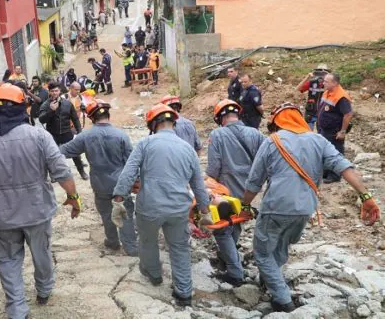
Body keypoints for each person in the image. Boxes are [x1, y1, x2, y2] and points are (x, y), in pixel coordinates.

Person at [243, 102, 380, 313]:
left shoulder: (272, 141)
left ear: (277, 123)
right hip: (305, 209)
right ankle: (271, 279)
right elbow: (343, 166)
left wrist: (244, 205)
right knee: (280, 245)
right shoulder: (318, 140)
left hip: (276, 207)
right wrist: (366, 196)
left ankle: (283, 301)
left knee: (262, 253)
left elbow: (254, 182)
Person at [0, 85, 81, 318]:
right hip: (37, 211)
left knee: (7, 261)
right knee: (41, 252)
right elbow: (62, 171)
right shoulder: (39, 136)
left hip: (0, 215)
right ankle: (44, 291)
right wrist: (73, 198)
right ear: (22, 108)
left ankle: (16, 308)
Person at [112, 104, 211, 307]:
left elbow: (128, 173)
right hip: (178, 209)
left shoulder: (145, 144)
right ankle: (184, 293)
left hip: (150, 207)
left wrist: (118, 200)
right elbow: (198, 184)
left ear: (153, 124)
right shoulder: (188, 149)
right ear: (173, 123)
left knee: (148, 242)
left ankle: (155, 276)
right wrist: (205, 210)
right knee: (179, 248)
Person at [60, 100, 138, 255]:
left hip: (100, 184)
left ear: (91, 118)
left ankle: (112, 242)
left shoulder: (86, 136)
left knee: (106, 214)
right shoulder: (121, 135)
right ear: (108, 115)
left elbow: (62, 151)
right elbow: (132, 162)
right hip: (121, 185)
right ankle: (131, 247)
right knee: (125, 214)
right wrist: (137, 181)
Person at [205, 99, 265, 286]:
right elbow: (265, 162)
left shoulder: (217, 134)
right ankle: (226, 257)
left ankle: (235, 272)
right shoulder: (256, 134)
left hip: (227, 193)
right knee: (236, 223)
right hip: (251, 193)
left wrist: (205, 183)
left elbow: (214, 168)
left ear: (220, 118)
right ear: (238, 115)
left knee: (222, 231)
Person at [39, 83, 88, 180]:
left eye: (56, 91)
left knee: (75, 153)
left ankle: (81, 171)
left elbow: (75, 119)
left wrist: (80, 131)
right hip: (53, 134)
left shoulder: (67, 103)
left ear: (59, 91)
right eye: (52, 91)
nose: (54, 93)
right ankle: (53, 174)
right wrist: (51, 111)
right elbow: (41, 119)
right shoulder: (45, 104)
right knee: (51, 155)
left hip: (67, 132)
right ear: (49, 92)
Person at [317, 73, 353, 183]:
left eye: (326, 82)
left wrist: (342, 131)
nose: (323, 83)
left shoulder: (341, 97)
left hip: (334, 130)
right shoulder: (328, 92)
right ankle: (327, 172)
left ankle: (335, 175)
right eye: (324, 81)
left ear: (335, 83)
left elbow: (348, 114)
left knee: (336, 151)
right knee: (325, 151)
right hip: (324, 129)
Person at [296, 64, 329, 130]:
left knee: (322, 134)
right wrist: (307, 77)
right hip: (310, 112)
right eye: (319, 73)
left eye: (323, 74)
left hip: (322, 112)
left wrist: (327, 80)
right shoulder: (311, 82)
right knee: (308, 132)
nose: (321, 75)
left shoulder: (329, 84)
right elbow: (298, 89)